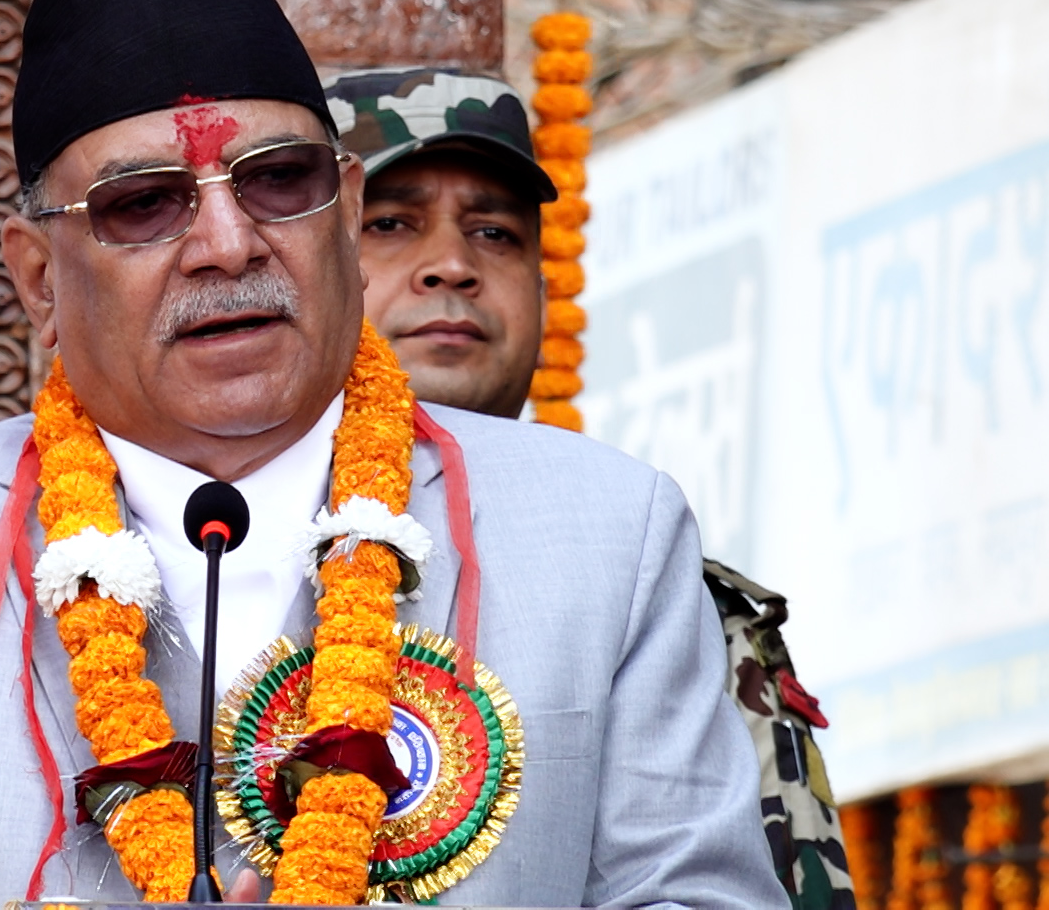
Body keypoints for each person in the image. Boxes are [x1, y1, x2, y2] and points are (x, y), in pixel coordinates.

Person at [0, 0, 784, 910]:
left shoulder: (607, 536)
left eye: (278, 180)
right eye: (144, 204)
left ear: (347, 211)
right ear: (40, 280)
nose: (228, 245)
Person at [331, 64, 854, 909]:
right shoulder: (215, 545)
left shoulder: (655, 586)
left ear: (544, 291)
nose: (452, 266)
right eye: (390, 224)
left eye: (495, 233)